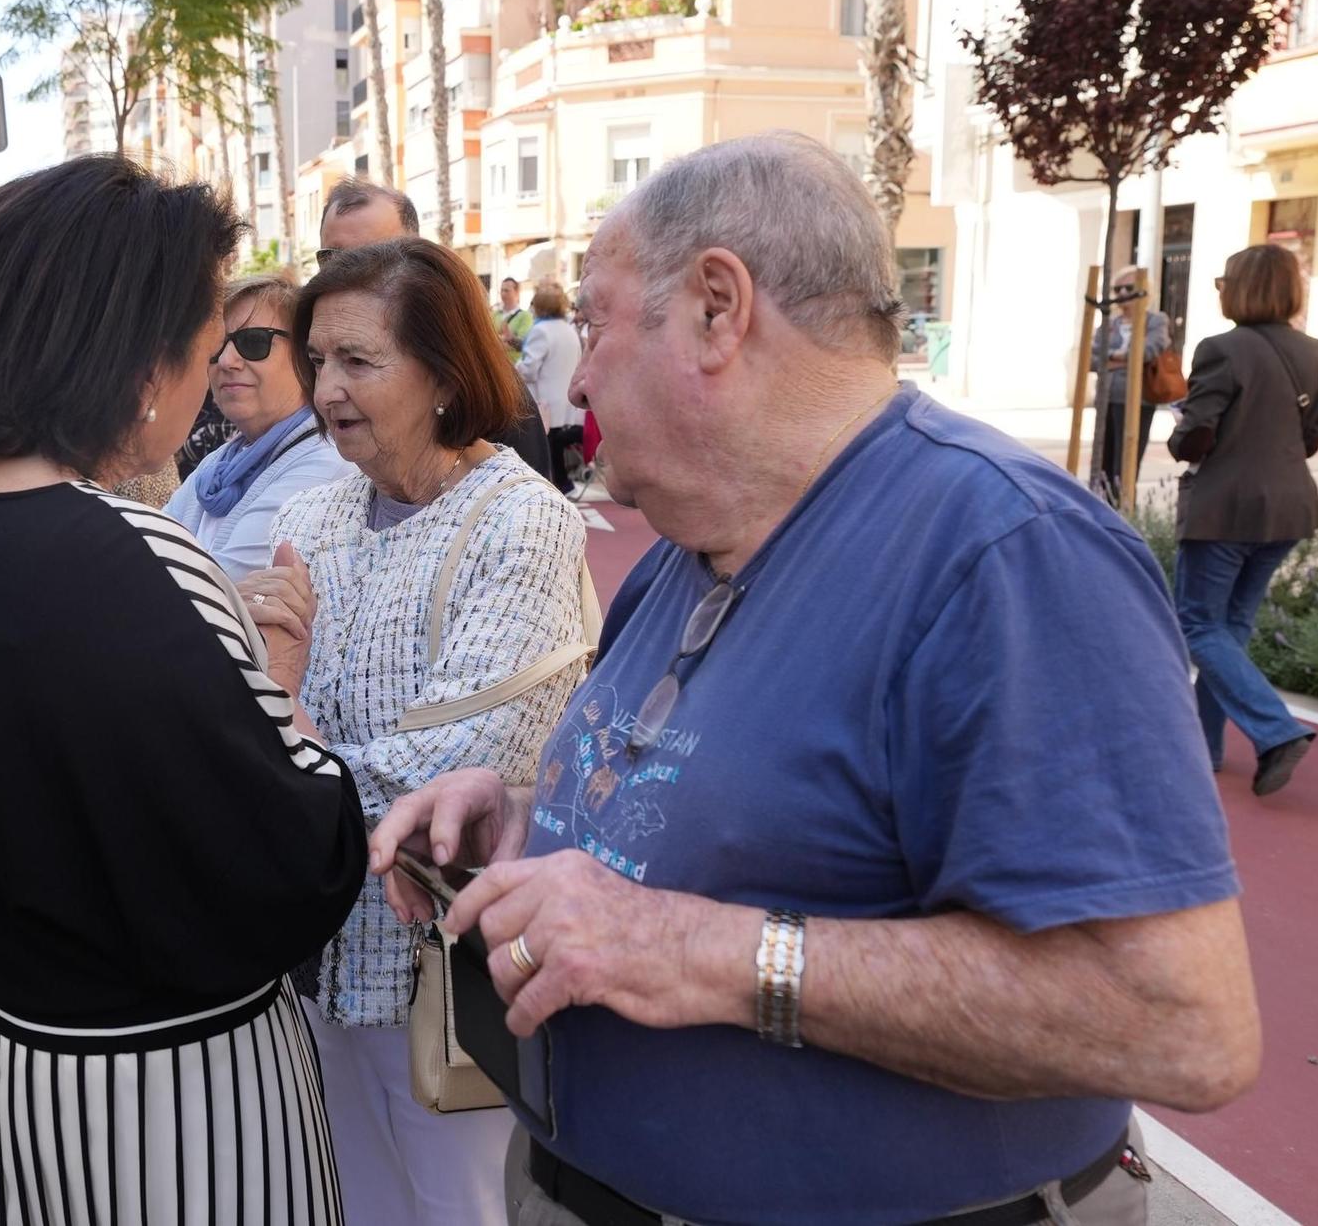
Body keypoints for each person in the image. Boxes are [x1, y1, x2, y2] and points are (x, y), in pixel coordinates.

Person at [369, 133, 1261, 1226]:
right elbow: (731, 815)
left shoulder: (1006, 556)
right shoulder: (690, 547)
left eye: (593, 323)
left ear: (714, 308)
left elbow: (1179, 1024)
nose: (574, 372)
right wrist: (526, 819)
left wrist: (704, 952)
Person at [0, 156, 366, 1225]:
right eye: (202, 338)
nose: (209, 365)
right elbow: (290, 864)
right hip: (154, 1096)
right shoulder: (130, 553)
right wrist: (282, 690)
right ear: (133, 355)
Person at [263, 237, 591, 1226]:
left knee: (460, 1209)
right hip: (322, 956)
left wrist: (277, 712)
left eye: (359, 361)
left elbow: (439, 782)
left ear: (446, 377)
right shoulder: (312, 515)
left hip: (447, 978)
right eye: (316, 360)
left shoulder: (518, 522)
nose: (325, 389)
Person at [1167, 244, 1318, 798]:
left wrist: (1181, 431)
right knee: (1229, 628)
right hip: (1289, 509)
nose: (1219, 289)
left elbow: (1194, 438)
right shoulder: (1314, 351)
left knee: (1197, 625)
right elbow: (1311, 439)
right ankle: (1203, 744)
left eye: (1223, 281)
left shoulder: (1221, 349)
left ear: (1242, 289)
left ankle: (1276, 730)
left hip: (1226, 509)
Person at [317, 179, 555, 480]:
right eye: (333, 260)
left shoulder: (484, 385)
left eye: (374, 257)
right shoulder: (303, 368)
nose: (349, 278)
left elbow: (529, 506)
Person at [165, 271, 356, 578]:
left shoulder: (327, 464)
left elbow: (221, 589)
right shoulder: (219, 466)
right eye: (215, 345)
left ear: (305, 356)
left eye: (253, 342)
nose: (227, 360)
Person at [1090, 265, 1173, 504]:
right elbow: (1093, 358)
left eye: (1129, 288)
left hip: (1137, 399)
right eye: (1118, 288)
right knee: (1103, 460)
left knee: (1125, 463)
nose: (1122, 293)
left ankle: (1124, 507)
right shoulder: (1109, 322)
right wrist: (1124, 358)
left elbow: (1147, 351)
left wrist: (1112, 358)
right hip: (1107, 397)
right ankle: (1101, 504)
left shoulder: (1155, 321)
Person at [517, 280, 585, 497]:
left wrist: (512, 366)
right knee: (555, 450)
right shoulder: (568, 329)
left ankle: (556, 489)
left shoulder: (541, 331)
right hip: (565, 402)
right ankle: (564, 486)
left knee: (545, 451)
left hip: (544, 401)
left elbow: (529, 370)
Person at [495, 276, 531, 355]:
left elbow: (523, 343)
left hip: (514, 364)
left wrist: (496, 342)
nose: (503, 293)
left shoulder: (525, 316)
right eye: (502, 290)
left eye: (507, 290)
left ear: (516, 292)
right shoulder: (494, 314)